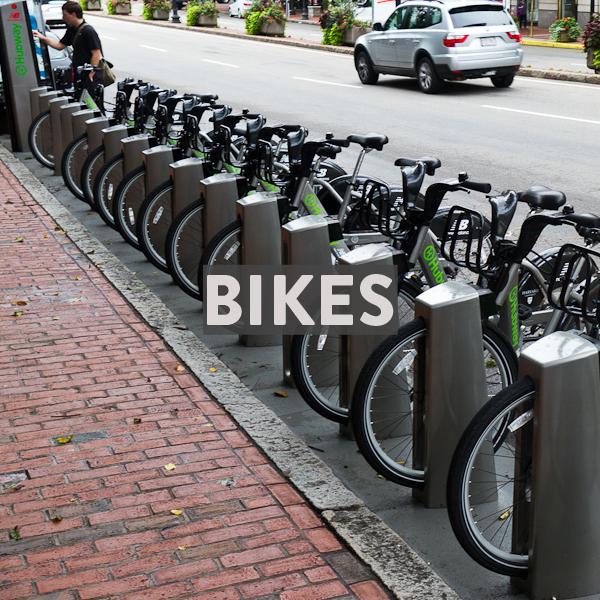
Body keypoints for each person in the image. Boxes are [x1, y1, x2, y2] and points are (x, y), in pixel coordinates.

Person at [33, 1, 103, 93]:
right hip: (79, 74)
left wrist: (91, 73)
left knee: (91, 103)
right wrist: (42, 37)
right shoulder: (72, 29)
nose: (63, 17)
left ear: (73, 14)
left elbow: (96, 54)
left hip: (90, 77)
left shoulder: (88, 31)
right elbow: (60, 45)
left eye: (65, 15)